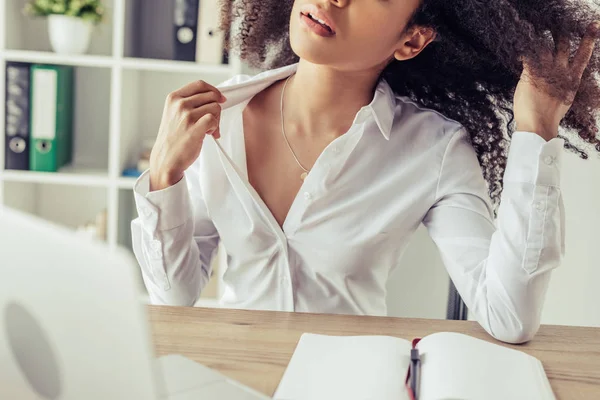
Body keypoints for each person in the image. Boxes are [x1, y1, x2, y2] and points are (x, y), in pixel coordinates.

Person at [131, 0, 600, 344]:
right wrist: (163, 175)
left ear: (411, 40)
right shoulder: (215, 117)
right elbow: (175, 297)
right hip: (236, 378)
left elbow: (508, 316)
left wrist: (536, 130)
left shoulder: (432, 149)